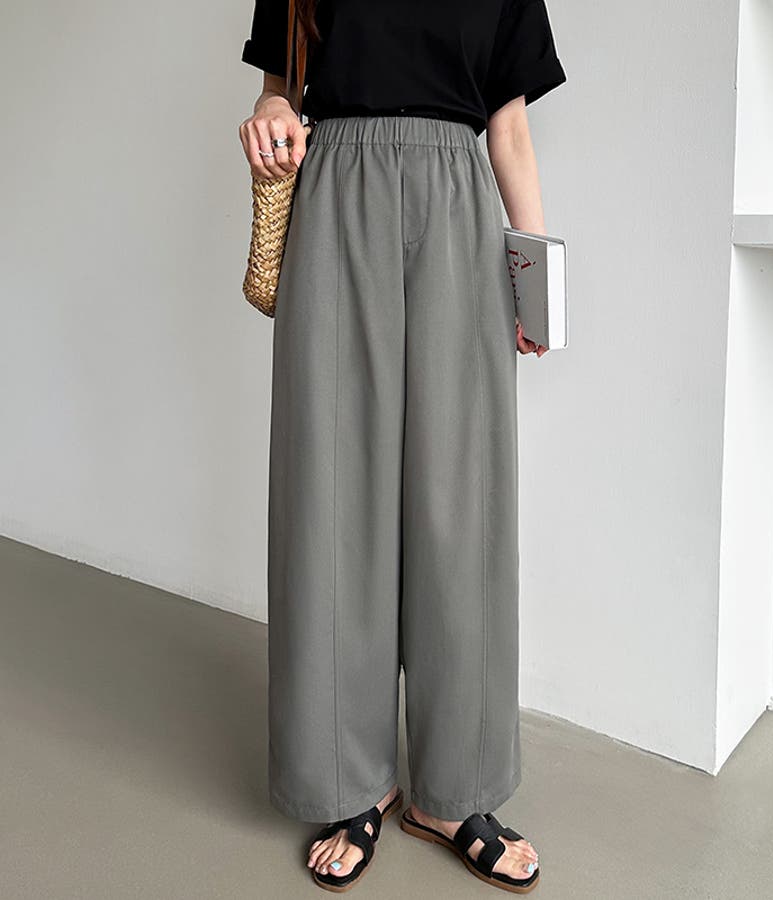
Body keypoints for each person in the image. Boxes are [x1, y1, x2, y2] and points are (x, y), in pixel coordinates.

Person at [238, 0, 566, 892]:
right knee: (333, 490)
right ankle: (351, 782)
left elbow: (510, 130)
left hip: (461, 204)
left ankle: (456, 792)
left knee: (462, 498)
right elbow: (279, 90)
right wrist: (270, 114)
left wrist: (535, 286)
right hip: (335, 194)